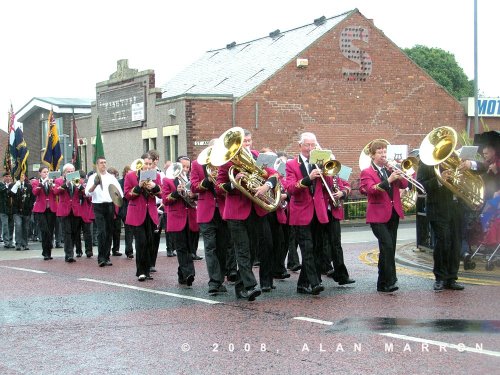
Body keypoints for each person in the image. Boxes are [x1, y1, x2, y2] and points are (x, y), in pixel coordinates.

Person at [215, 128, 278, 300]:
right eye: (244, 142)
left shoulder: (258, 156)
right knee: (242, 250)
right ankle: (251, 286)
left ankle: (241, 287)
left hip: (255, 209)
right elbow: (219, 187)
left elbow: (275, 174)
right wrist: (235, 184)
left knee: (252, 249)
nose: (247, 145)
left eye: (249, 141)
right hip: (236, 211)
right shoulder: (226, 162)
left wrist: (268, 185)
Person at [284, 132, 331, 296]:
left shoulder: (319, 163)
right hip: (301, 213)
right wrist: (308, 178)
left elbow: (328, 186)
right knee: (307, 249)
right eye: (307, 145)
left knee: (318, 249)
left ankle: (303, 284)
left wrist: (326, 169)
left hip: (318, 212)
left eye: (313, 145)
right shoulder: (291, 164)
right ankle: (315, 282)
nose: (310, 149)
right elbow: (290, 188)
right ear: (300, 146)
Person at [359, 140, 407, 293]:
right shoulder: (367, 172)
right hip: (377, 215)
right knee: (387, 245)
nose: (383, 155)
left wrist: (399, 173)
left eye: (385, 152)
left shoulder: (390, 168)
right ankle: (391, 281)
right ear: (372, 155)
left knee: (388, 248)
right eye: (380, 152)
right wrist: (389, 180)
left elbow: (405, 185)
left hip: (393, 213)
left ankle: (382, 282)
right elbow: (370, 190)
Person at [417, 162, 465, 291]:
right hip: (437, 208)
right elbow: (420, 186)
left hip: (455, 208)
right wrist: (439, 180)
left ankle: (451, 278)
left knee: (455, 243)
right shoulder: (427, 162)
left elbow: (478, 170)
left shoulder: (454, 159)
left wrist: (465, 170)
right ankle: (440, 278)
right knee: (443, 241)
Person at [191, 141, 229, 295]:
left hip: (223, 210)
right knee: (210, 247)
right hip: (206, 211)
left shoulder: (225, 162)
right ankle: (213, 282)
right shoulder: (197, 164)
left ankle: (219, 280)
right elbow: (193, 187)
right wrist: (207, 180)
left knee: (222, 247)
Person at [125, 153, 162, 281]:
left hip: (150, 213)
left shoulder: (155, 176)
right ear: (140, 164)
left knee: (150, 242)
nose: (147, 166)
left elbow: (162, 194)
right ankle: (140, 271)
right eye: (145, 164)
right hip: (136, 213)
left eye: (149, 164)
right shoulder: (131, 176)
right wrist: (139, 186)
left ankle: (147, 271)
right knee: (141, 242)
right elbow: (127, 195)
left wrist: (154, 186)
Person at [163, 156, 199, 287]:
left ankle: (182, 274)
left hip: (191, 217)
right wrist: (176, 193)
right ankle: (189, 273)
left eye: (187, 167)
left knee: (190, 248)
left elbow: (197, 197)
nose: (185, 169)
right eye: (183, 166)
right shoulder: (168, 180)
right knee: (181, 248)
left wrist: (193, 194)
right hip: (177, 218)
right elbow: (165, 200)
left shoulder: (191, 180)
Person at [85, 156, 124, 267]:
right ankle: (101, 257)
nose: (104, 164)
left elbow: (120, 193)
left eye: (105, 162)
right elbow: (87, 193)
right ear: (97, 165)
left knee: (109, 231)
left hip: (110, 205)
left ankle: (107, 257)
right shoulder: (93, 177)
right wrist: (95, 184)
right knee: (101, 232)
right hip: (98, 205)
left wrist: (116, 198)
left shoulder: (111, 177)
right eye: (101, 163)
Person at [323, 173, 355, 285]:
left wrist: (342, 192)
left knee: (336, 244)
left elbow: (345, 186)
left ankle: (341, 275)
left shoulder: (335, 175)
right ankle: (323, 268)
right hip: (319, 212)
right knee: (320, 244)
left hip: (332, 212)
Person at [54, 163, 84, 262]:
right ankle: (69, 254)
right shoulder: (59, 181)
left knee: (75, 233)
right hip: (64, 210)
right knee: (67, 232)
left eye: (72, 172)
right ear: (64, 173)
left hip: (75, 210)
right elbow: (56, 191)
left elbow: (84, 193)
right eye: (68, 172)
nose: (70, 173)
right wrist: (65, 184)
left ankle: (72, 251)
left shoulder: (77, 180)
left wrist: (80, 186)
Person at [31, 166, 58, 260]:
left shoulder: (51, 182)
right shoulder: (36, 182)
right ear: (40, 173)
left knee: (50, 231)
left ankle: (48, 253)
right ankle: (45, 251)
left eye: (47, 172)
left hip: (51, 208)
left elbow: (56, 193)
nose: (46, 174)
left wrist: (52, 185)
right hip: (40, 209)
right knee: (44, 230)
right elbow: (35, 192)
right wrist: (42, 184)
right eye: (44, 172)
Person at [10, 173, 34, 251]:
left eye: (23, 175)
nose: (22, 177)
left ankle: (25, 244)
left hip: (26, 211)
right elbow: (10, 194)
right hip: (17, 211)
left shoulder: (28, 186)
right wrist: (17, 185)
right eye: (20, 176)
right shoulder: (13, 185)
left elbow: (32, 198)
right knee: (18, 226)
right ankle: (18, 244)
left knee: (25, 227)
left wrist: (30, 208)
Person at [118, 165, 134, 259]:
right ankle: (129, 251)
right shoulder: (120, 182)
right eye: (129, 172)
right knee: (128, 230)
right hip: (124, 208)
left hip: (133, 208)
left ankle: (129, 250)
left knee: (131, 230)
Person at [107, 166, 123, 257]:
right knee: (108, 232)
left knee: (117, 231)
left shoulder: (117, 184)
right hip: (108, 209)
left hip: (117, 210)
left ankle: (116, 249)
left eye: (115, 176)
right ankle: (107, 249)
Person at [0, 172, 14, 249]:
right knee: (5, 225)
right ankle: (6, 241)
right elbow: (2, 192)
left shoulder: (13, 185)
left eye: (9, 176)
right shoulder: (1, 185)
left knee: (11, 226)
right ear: (3, 177)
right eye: (6, 176)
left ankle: (10, 241)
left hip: (12, 209)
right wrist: (7, 187)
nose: (8, 178)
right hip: (3, 209)